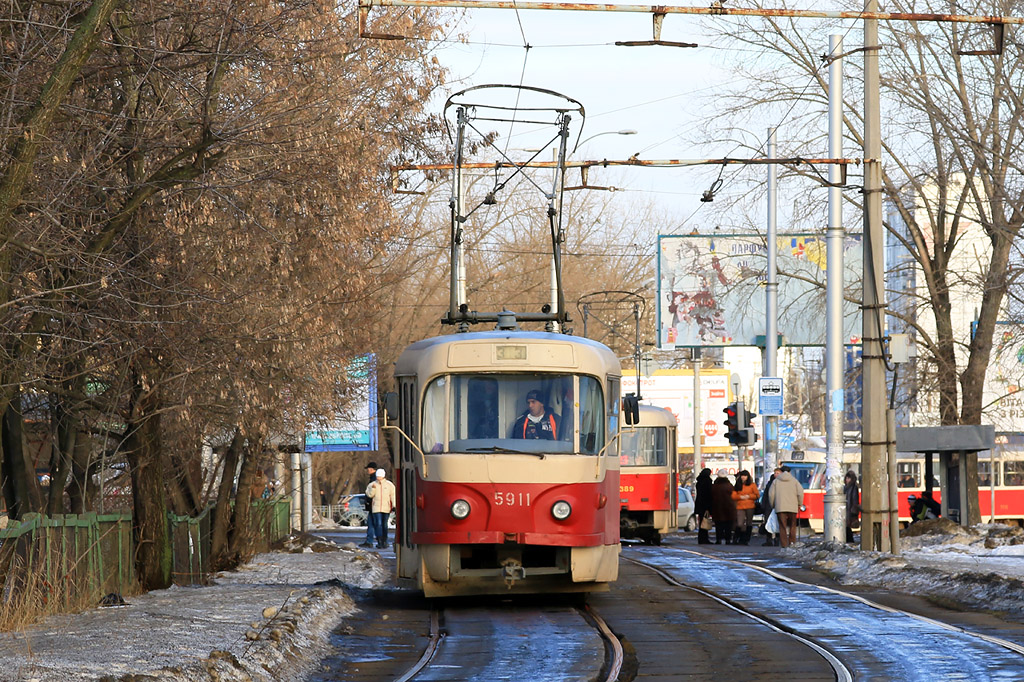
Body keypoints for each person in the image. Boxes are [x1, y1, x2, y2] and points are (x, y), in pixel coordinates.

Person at [768, 465, 805, 548]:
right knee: (793, 525)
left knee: (782, 526)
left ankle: (784, 545)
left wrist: (773, 505)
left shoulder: (776, 481)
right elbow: (800, 493)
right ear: (789, 472)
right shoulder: (795, 481)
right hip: (793, 507)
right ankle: (792, 543)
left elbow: (771, 495)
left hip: (780, 507)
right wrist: (799, 503)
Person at [366, 468, 396, 549]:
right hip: (376, 508)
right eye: (377, 476)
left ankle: (384, 540)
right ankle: (379, 541)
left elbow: (393, 495)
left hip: (386, 508)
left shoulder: (389, 485)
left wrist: (394, 505)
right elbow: (369, 495)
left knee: (384, 525)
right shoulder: (372, 484)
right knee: (378, 524)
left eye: (380, 476)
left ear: (383, 476)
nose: (378, 478)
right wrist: (373, 489)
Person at [731, 470, 759, 545]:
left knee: (749, 523)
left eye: (745, 476)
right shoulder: (737, 485)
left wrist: (749, 496)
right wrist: (740, 497)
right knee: (739, 523)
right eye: (742, 476)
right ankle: (736, 538)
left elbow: (757, 495)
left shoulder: (752, 485)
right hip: (740, 506)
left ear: (748, 477)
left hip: (750, 506)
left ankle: (746, 539)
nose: (743, 477)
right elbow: (733, 496)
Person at [711, 475, 737, 545]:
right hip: (729, 508)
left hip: (717, 507)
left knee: (718, 525)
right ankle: (728, 539)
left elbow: (711, 496)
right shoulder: (729, 486)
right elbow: (734, 496)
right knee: (728, 525)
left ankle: (718, 539)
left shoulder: (715, 486)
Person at [359, 461, 379, 548]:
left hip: (373, 505)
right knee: (375, 523)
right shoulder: (376, 478)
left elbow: (371, 493)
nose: (367, 470)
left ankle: (370, 541)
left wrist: (368, 500)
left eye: (368, 469)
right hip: (375, 505)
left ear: (371, 469)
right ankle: (378, 541)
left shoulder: (373, 479)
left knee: (372, 523)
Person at [760, 469, 780, 546]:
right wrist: (763, 505)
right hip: (769, 506)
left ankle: (776, 539)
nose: (776, 474)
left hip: (777, 506)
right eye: (775, 473)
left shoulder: (781, 483)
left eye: (778, 473)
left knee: (777, 523)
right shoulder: (769, 483)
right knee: (768, 523)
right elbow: (765, 495)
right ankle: (769, 539)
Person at [694, 468, 713, 544]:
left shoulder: (699, 481)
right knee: (704, 522)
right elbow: (708, 494)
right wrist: (709, 507)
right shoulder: (707, 481)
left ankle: (701, 538)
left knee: (702, 521)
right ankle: (704, 539)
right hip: (705, 504)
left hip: (699, 504)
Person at [844, 470, 861, 543]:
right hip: (847, 509)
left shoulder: (853, 487)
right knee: (846, 526)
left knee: (847, 527)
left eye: (849, 478)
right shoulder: (846, 487)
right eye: (846, 478)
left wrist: (853, 510)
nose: (847, 480)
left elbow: (854, 499)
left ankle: (850, 541)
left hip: (850, 510)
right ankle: (849, 540)